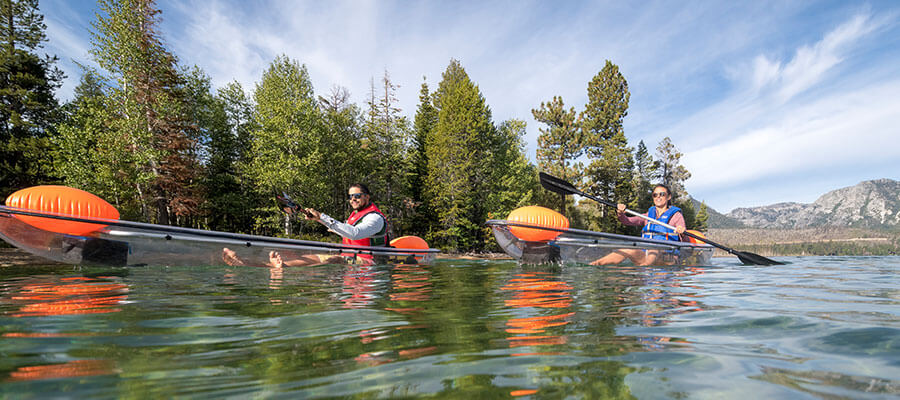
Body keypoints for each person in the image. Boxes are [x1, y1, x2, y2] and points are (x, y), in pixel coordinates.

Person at [222, 183, 389, 268]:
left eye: (357, 196)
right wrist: (318, 219)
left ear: (367, 197)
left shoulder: (375, 218)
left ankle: (276, 267)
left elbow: (354, 233)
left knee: (332, 258)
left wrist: (322, 216)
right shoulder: (355, 215)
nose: (353, 199)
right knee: (313, 257)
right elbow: (344, 231)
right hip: (352, 259)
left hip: (370, 264)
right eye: (350, 197)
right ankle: (251, 264)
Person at [590, 184, 687, 266]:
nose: (658, 197)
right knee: (628, 249)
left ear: (668, 197)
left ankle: (644, 272)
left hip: (668, 256)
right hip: (647, 252)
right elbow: (627, 221)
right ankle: (595, 264)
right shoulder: (648, 215)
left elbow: (684, 238)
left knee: (655, 249)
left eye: (662, 194)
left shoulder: (676, 216)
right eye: (655, 195)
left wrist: (682, 232)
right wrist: (620, 213)